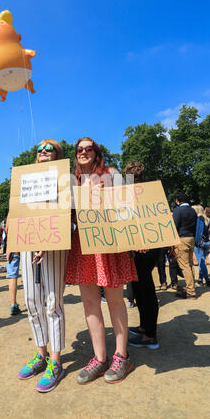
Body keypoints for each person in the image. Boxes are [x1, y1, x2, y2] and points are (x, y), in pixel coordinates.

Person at [65, 138, 138, 384]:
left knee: (116, 302)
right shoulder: (71, 183)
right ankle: (99, 358)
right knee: (89, 303)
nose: (83, 152)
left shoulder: (112, 174)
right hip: (83, 246)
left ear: (97, 153)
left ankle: (121, 356)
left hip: (109, 245)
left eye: (89, 149)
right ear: (76, 155)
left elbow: (128, 207)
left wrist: (137, 234)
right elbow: (68, 219)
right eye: (79, 149)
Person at [18, 139, 68, 393]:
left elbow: (66, 212)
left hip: (54, 245)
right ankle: (41, 354)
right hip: (28, 244)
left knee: (52, 303)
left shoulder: (64, 180)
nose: (43, 152)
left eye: (49, 149)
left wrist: (48, 239)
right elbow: (17, 211)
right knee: (31, 301)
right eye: (39, 149)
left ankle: (56, 362)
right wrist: (12, 244)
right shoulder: (25, 179)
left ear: (57, 155)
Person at [123, 161, 160, 349]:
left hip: (146, 247)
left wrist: (145, 241)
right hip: (140, 247)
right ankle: (145, 327)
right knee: (139, 288)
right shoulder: (137, 193)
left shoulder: (145, 193)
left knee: (145, 290)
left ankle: (150, 335)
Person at [172, 192, 197, 299]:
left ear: (177, 200)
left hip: (182, 239)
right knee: (190, 264)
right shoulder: (193, 210)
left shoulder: (178, 210)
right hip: (191, 238)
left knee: (185, 266)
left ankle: (191, 291)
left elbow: (174, 226)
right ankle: (191, 287)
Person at [192, 205, 210, 287]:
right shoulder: (208, 219)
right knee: (202, 261)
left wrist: (197, 242)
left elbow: (198, 233)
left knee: (201, 262)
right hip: (207, 242)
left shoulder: (199, 219)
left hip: (200, 243)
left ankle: (207, 280)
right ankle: (200, 279)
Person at [5, 218, 21, 316]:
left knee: (12, 275)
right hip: (30, 242)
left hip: (14, 243)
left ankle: (13, 304)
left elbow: (8, 228)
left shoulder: (13, 209)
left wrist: (9, 247)